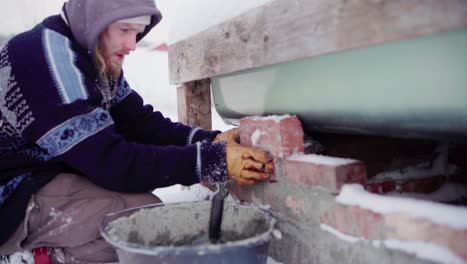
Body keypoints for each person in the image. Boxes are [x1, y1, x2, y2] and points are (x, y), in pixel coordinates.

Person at [0, 0, 274, 262]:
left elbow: (139, 123)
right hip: (12, 192)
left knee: (141, 199)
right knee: (135, 224)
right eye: (125, 30)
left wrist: (210, 140)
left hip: (46, 171)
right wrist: (211, 161)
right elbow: (113, 163)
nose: (132, 44)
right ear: (95, 21)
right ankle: (29, 257)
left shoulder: (91, 55)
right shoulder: (49, 63)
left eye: (138, 32)